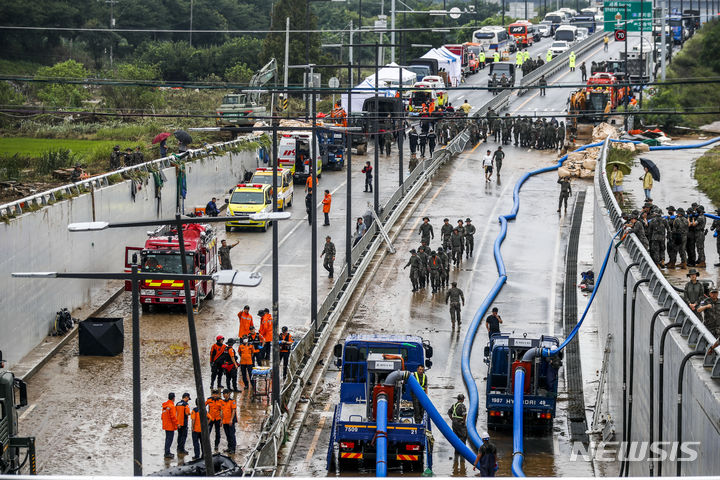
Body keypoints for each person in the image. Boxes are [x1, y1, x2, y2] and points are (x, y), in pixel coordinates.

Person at [448, 394, 468, 464]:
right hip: (460, 423)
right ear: (462, 399)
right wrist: (463, 421)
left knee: (456, 438)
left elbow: (449, 412)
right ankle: (463, 456)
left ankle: (456, 455)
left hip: (454, 423)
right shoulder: (462, 406)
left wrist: (452, 419)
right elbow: (464, 414)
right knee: (463, 437)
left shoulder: (454, 405)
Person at [220, 389, 237, 454]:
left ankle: (233, 449)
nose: (224, 395)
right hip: (225, 421)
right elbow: (221, 411)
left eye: (225, 394)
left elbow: (233, 411)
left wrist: (231, 420)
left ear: (228, 394)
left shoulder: (232, 401)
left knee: (232, 435)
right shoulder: (222, 402)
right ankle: (229, 447)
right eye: (223, 394)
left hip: (230, 422)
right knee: (227, 435)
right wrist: (221, 420)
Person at [162, 393, 178, 459]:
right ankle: (167, 453)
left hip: (166, 425)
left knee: (167, 439)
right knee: (169, 439)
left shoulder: (165, 406)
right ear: (173, 398)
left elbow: (162, 416)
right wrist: (177, 424)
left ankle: (167, 452)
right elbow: (173, 417)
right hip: (170, 426)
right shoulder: (171, 406)